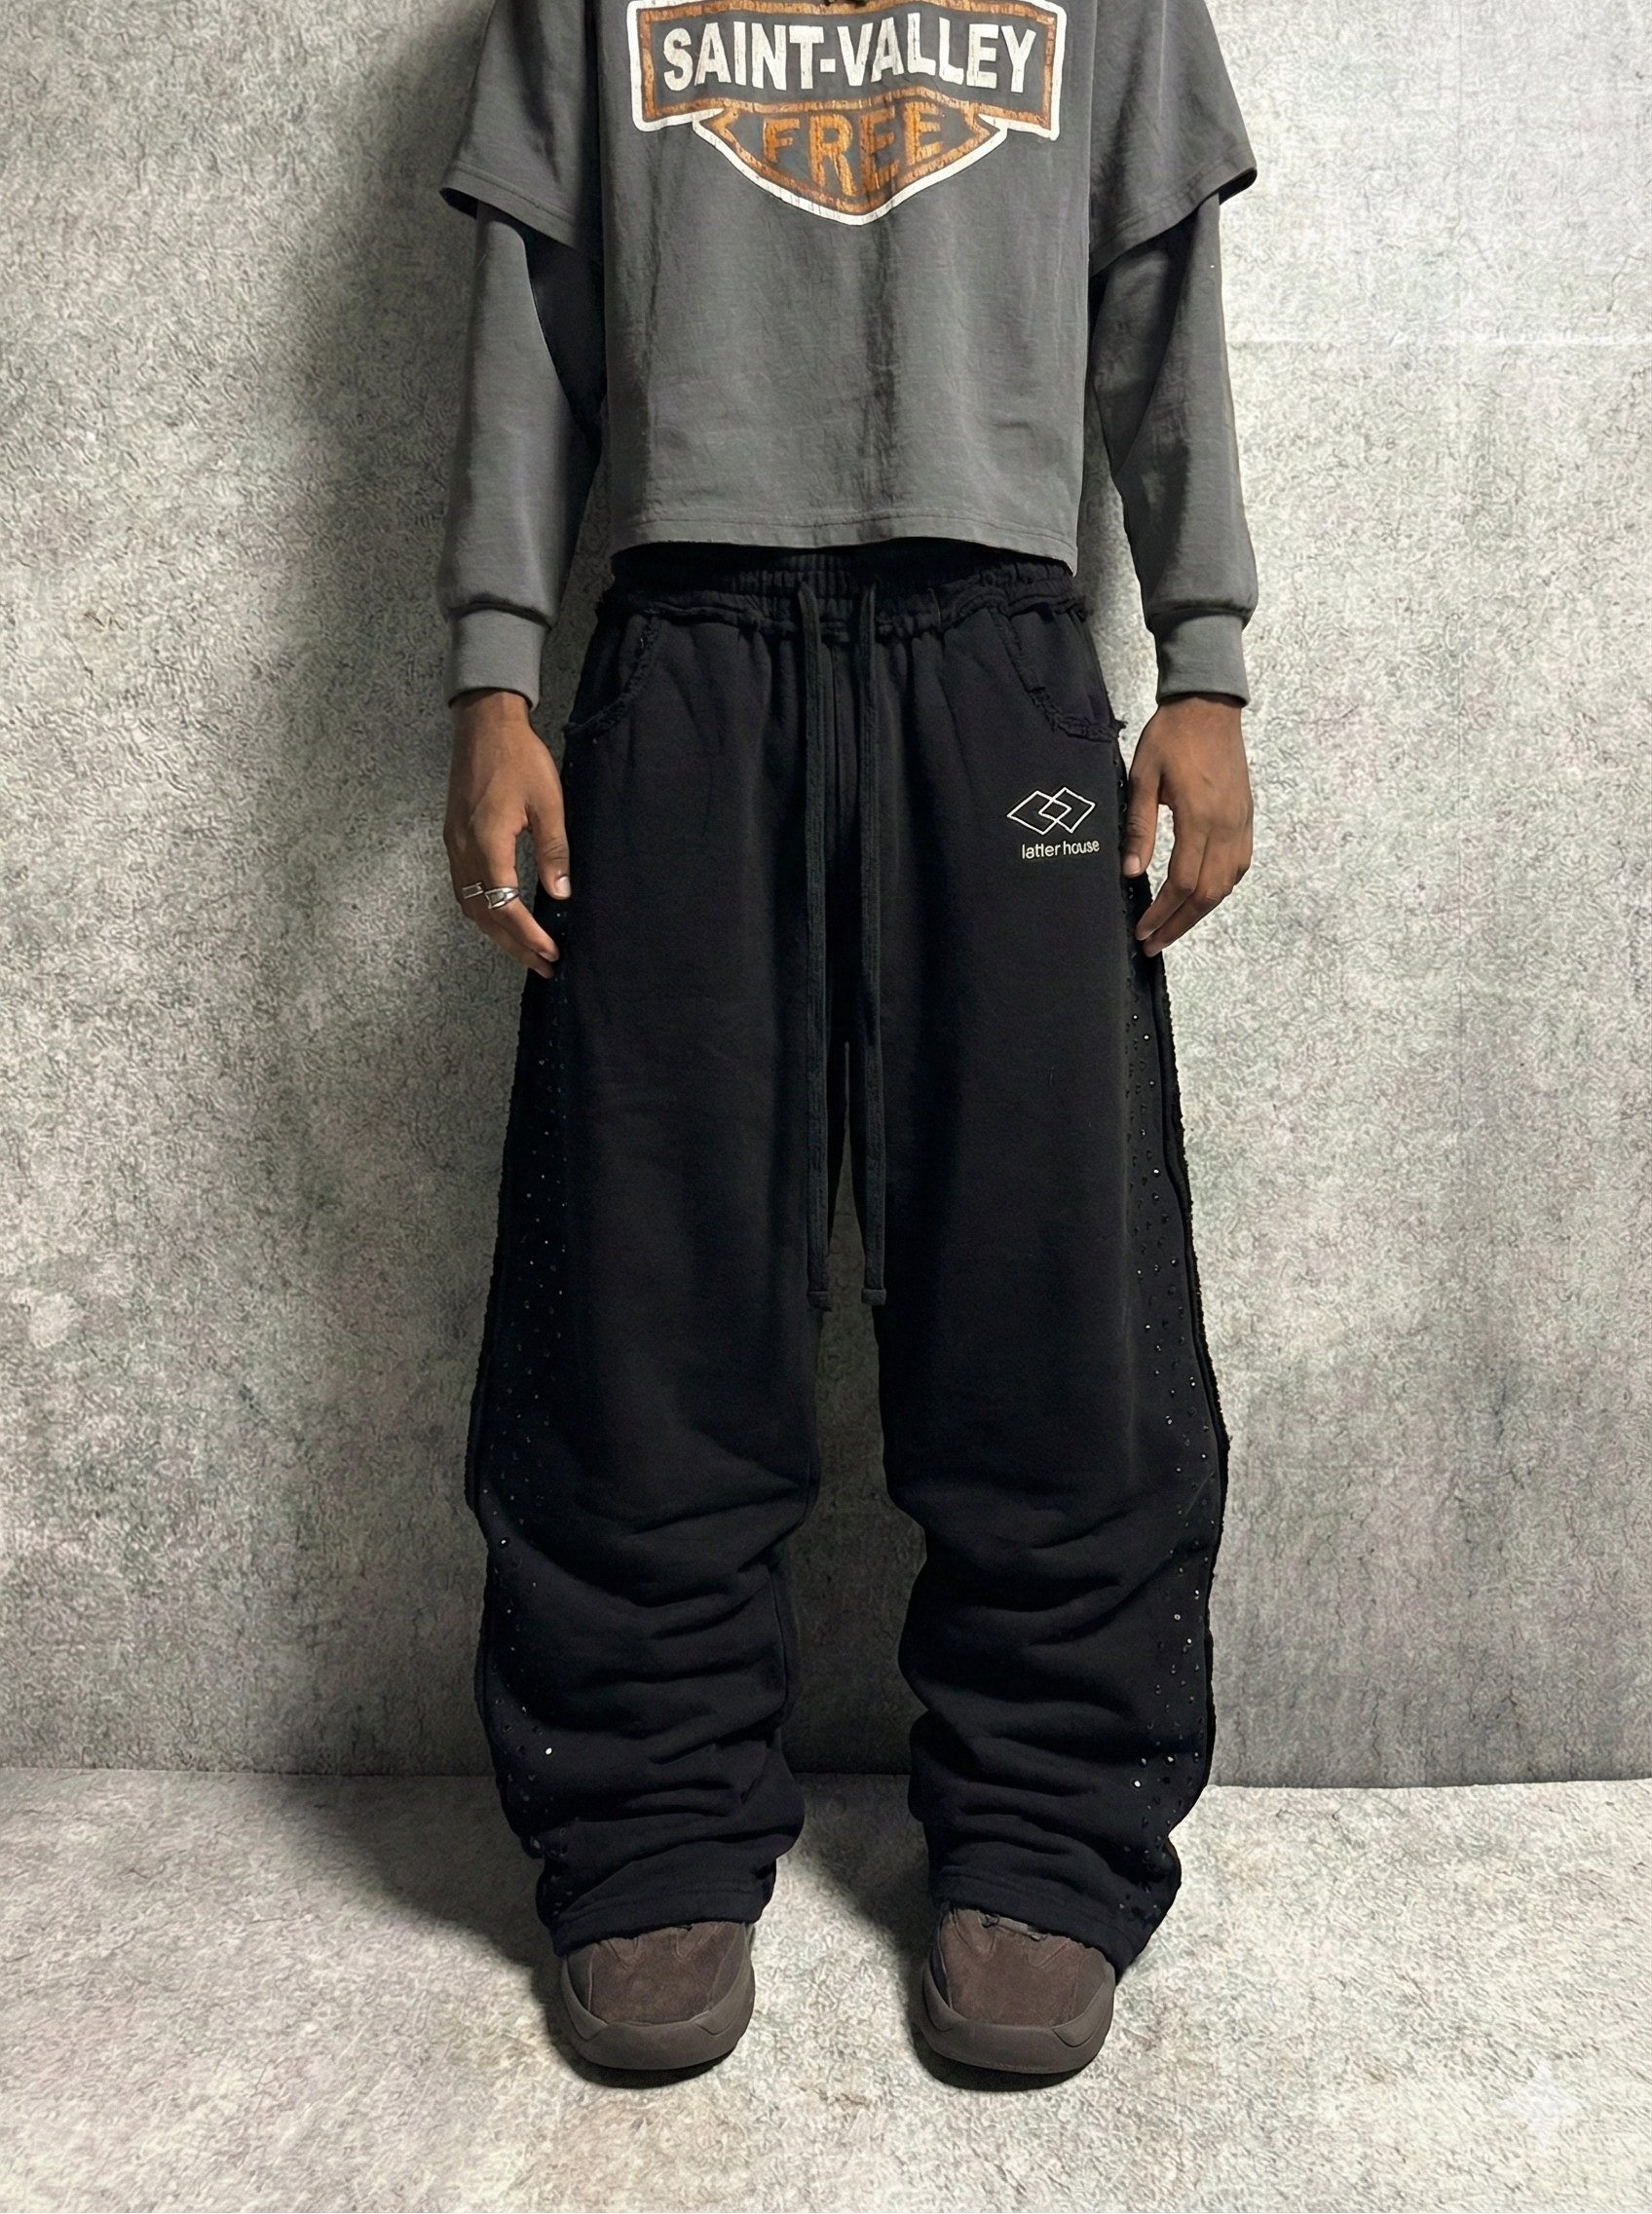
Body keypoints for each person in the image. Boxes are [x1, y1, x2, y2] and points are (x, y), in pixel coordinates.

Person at [436, 0, 1257, 2078]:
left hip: (1001, 669)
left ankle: (1046, 1822)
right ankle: (644, 1819)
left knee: (1047, 1258)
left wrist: (1204, 661)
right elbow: (533, 293)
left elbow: (1159, 287)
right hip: (684, 648)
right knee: (647, 1260)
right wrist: (493, 673)